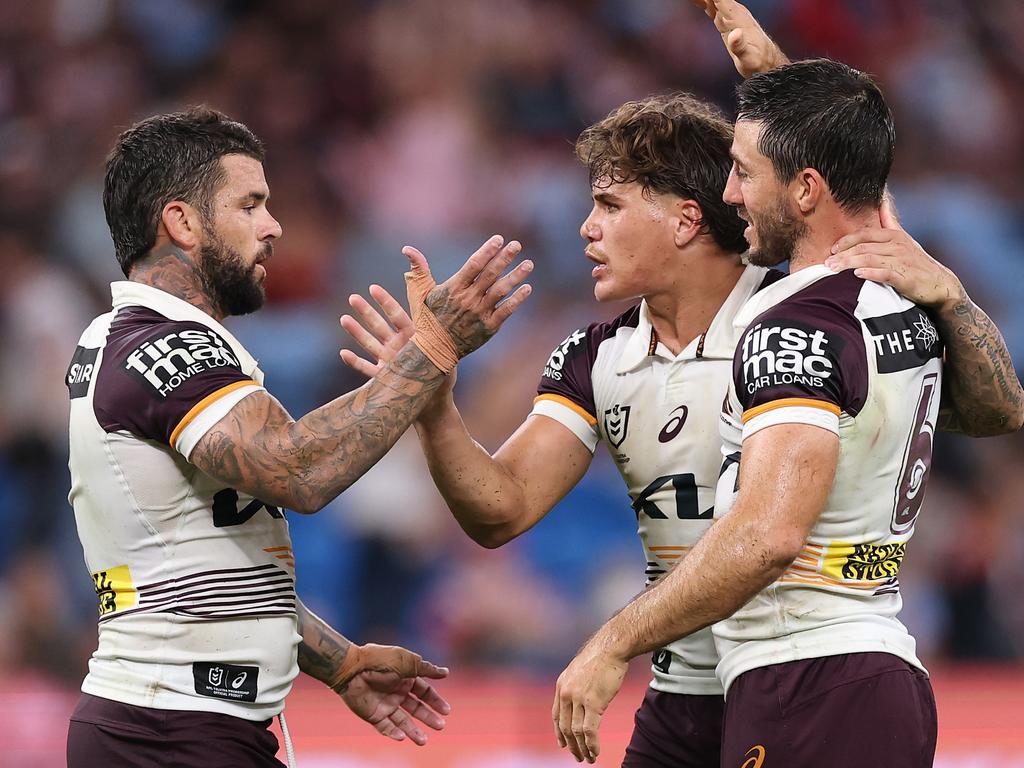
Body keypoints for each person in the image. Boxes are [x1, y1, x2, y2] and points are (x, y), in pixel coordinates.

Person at [340, 4, 1023, 766]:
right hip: (688, 689)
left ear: (686, 219)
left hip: (795, 665)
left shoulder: (790, 307)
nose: (585, 230)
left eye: (608, 206)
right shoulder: (594, 358)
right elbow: (499, 510)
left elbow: (840, 190)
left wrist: (774, 76)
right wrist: (433, 405)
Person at [549, 55, 1024, 766]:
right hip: (869, 668)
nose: (730, 193)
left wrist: (613, 642)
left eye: (744, 171)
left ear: (804, 189)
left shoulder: (794, 331)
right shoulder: (902, 300)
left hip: (807, 680)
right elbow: (1000, 409)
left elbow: (770, 534)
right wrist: (953, 297)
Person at [64, 106, 533, 766]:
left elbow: (216, 568)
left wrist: (338, 662)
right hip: (170, 730)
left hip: (180, 722)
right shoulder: (158, 349)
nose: (272, 225)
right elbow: (299, 471)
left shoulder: (136, 342)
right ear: (182, 222)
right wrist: (432, 346)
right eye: (250, 204)